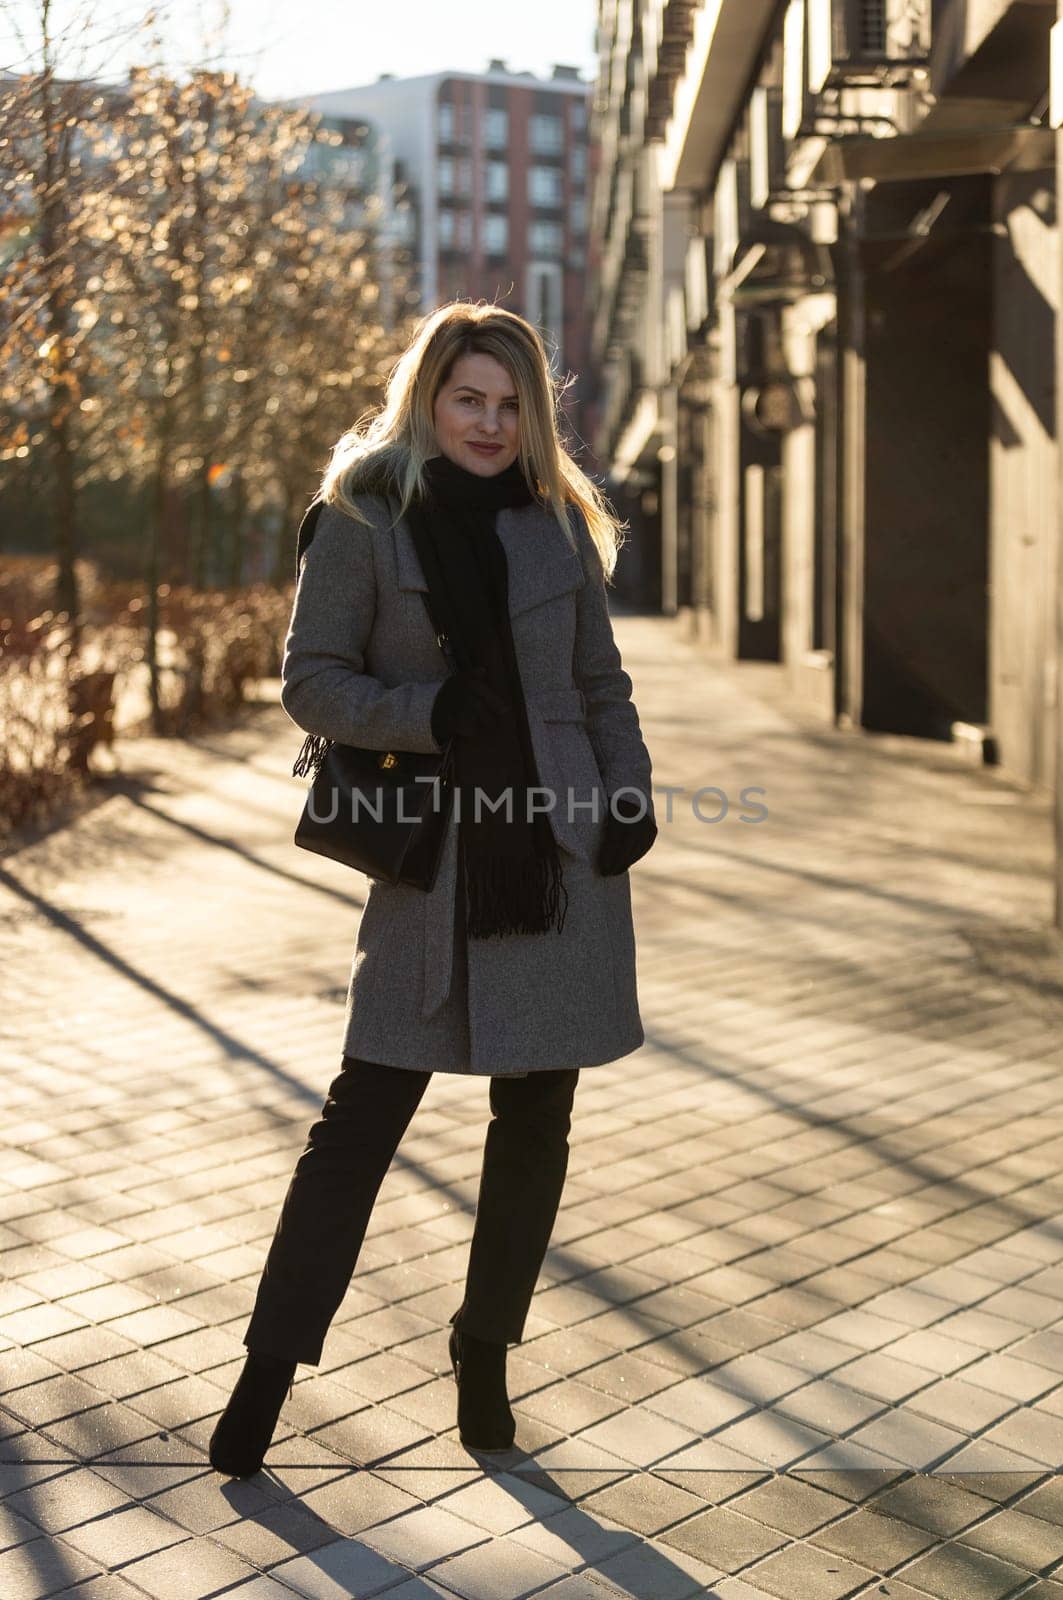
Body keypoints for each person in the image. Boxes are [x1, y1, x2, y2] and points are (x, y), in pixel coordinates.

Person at [208, 301, 657, 1479]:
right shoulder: (363, 514)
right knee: (359, 1120)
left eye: (512, 405)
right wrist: (426, 714)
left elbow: (602, 686)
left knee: (535, 1123)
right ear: (427, 395)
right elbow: (313, 683)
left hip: (555, 860)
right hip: (431, 857)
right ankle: (267, 1366)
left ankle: (485, 1351)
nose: (491, 423)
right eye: (469, 398)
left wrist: (628, 797)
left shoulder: (557, 523)